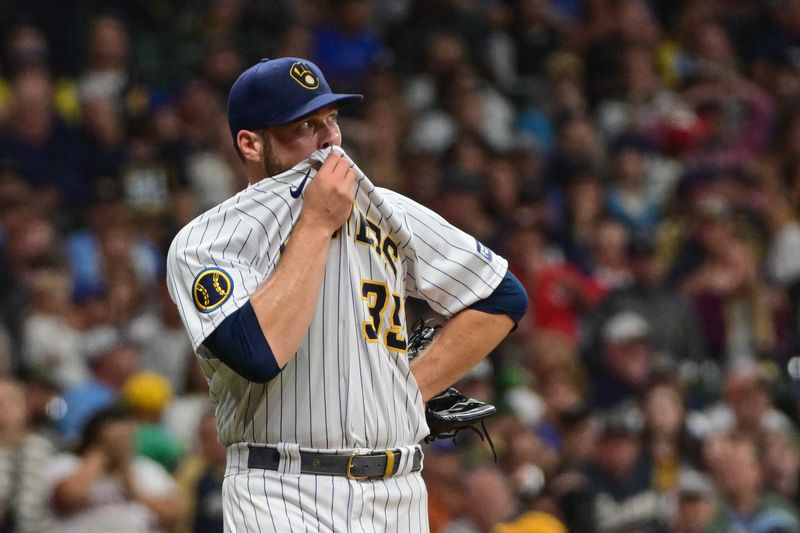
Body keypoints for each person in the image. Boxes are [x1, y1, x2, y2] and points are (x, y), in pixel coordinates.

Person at [166, 57, 527, 531]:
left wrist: (409, 389)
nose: (330, 140)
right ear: (251, 143)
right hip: (283, 490)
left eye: (331, 120)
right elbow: (257, 352)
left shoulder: (383, 208)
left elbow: (501, 296)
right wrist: (315, 223)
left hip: (397, 491)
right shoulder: (207, 241)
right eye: (306, 127)